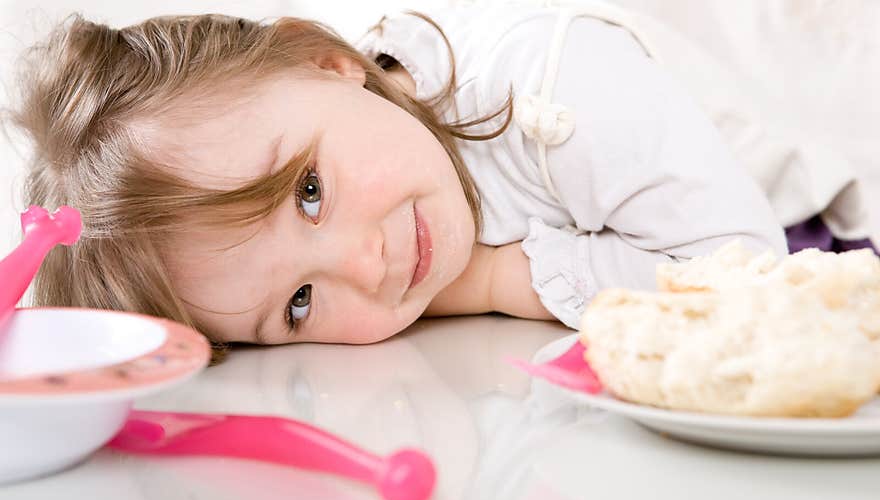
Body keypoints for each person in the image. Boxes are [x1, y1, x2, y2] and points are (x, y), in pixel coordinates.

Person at [10, 1, 811, 362]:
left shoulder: (548, 82)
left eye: (310, 191)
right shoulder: (351, 137)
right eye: (298, 303)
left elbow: (746, 281)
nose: (366, 266)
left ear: (328, 61)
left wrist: (495, 276)